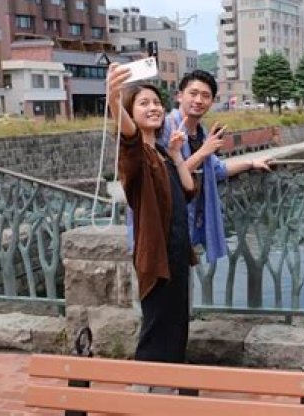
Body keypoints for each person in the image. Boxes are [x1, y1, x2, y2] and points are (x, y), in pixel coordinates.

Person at [105, 63, 196, 366]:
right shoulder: (135, 156)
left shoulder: (160, 152)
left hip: (176, 252)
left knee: (177, 323)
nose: (154, 107)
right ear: (130, 113)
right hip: (156, 256)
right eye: (143, 103)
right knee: (157, 326)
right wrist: (114, 99)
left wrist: (176, 155)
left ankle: (172, 380)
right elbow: (129, 138)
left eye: (157, 102)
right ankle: (147, 383)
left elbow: (188, 188)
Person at [161, 69, 272, 265]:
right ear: (179, 96)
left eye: (205, 96)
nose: (199, 100)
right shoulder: (167, 128)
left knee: (183, 278)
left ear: (212, 101)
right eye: (193, 93)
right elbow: (166, 176)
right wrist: (204, 151)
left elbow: (217, 169)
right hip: (169, 222)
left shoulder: (201, 132)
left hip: (190, 220)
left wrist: (251, 163)